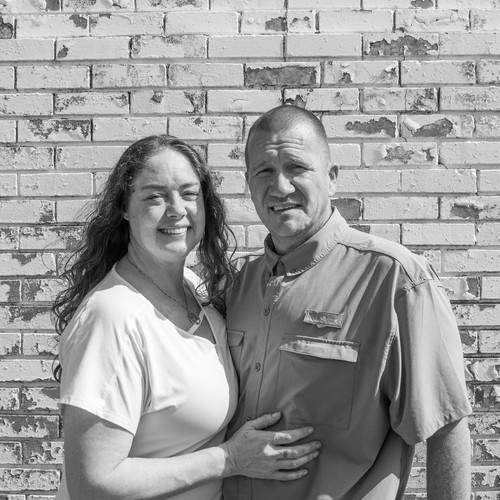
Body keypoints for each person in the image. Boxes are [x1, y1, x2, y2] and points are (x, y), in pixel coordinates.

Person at [52, 135, 322, 500]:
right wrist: (229, 459)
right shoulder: (112, 316)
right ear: (124, 208)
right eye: (155, 196)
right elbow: (93, 483)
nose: (177, 210)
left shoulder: (193, 290)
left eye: (189, 193)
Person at [223, 105, 472, 500]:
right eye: (264, 171)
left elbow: (446, 428)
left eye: (297, 168)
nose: (280, 187)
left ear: (332, 178)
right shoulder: (236, 284)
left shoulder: (396, 280)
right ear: (248, 183)